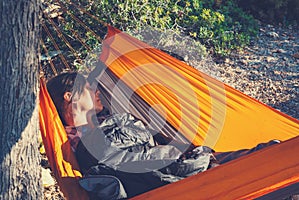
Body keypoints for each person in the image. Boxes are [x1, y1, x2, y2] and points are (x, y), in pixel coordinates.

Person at [47, 72, 279, 199]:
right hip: (174, 180)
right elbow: (131, 165)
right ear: (69, 96)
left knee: (267, 155)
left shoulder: (105, 124)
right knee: (260, 165)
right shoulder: (81, 143)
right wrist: (185, 159)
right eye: (89, 87)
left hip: (179, 167)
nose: (96, 91)